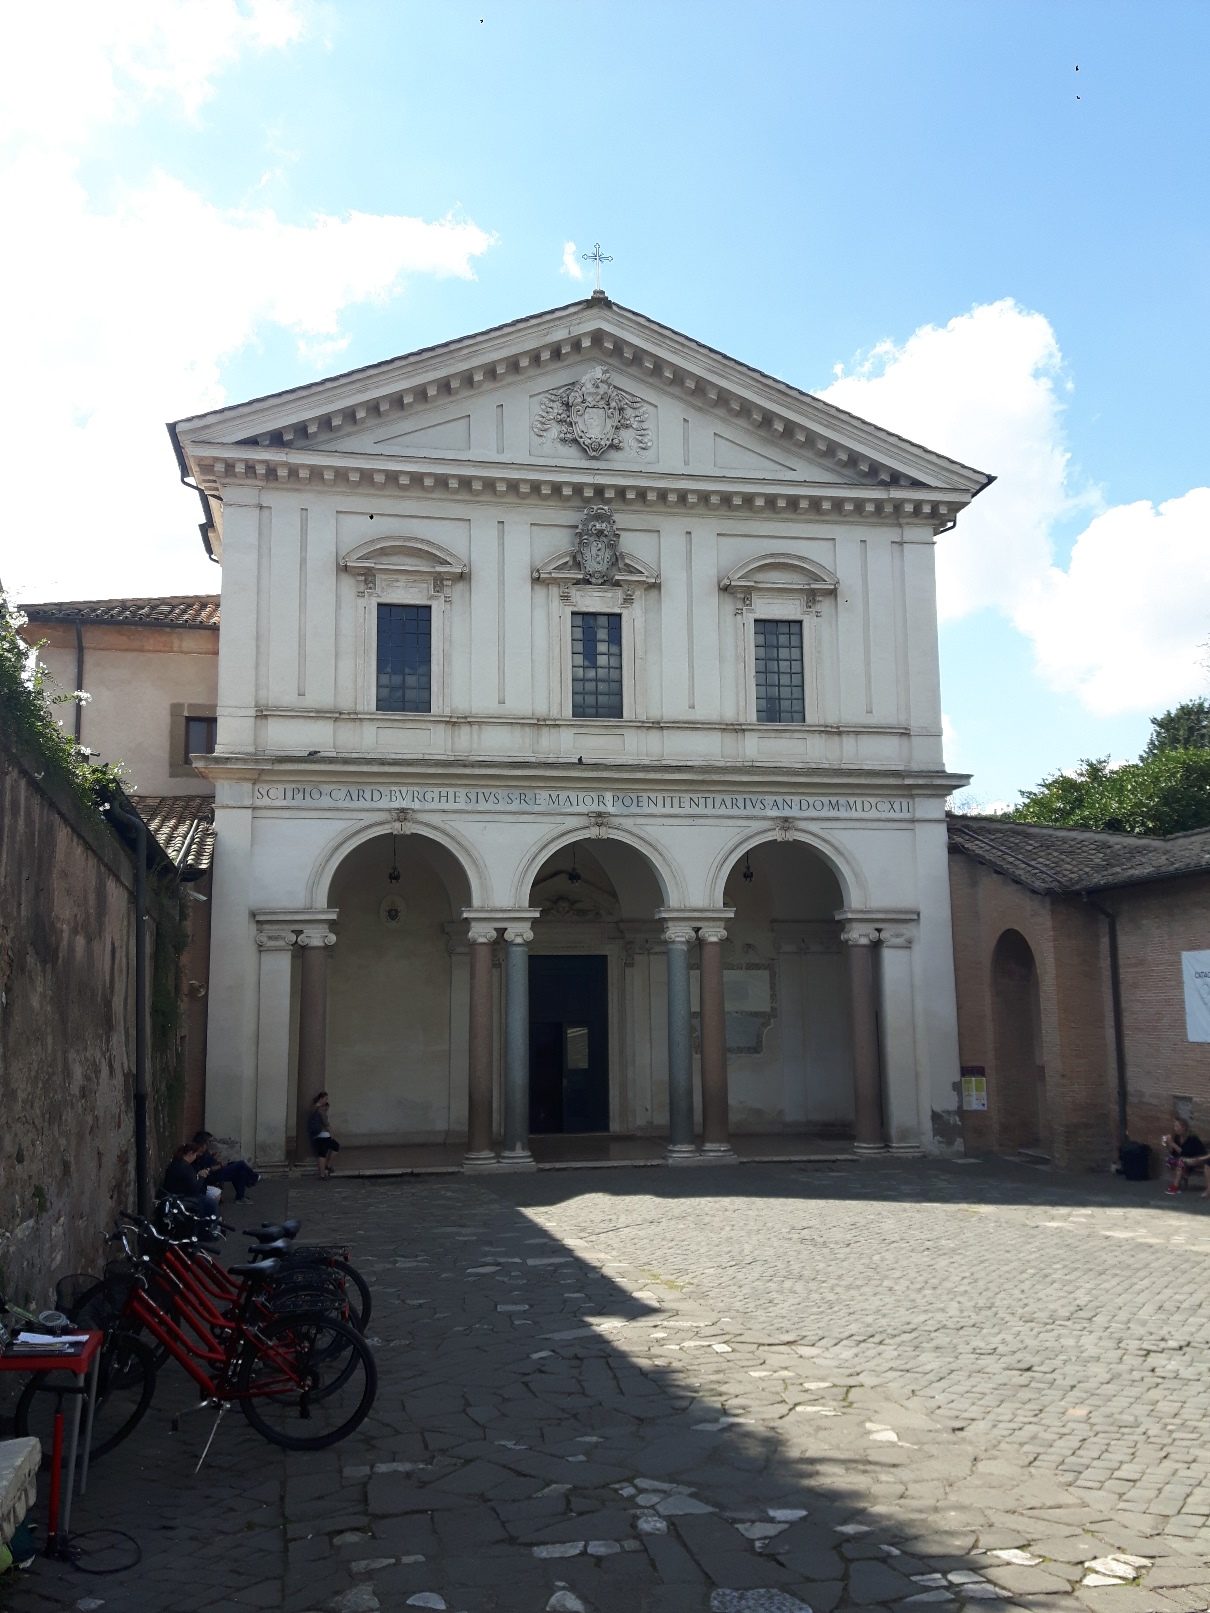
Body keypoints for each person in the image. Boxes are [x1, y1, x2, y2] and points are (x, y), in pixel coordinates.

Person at [192, 1130, 259, 1203]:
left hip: (217, 1170)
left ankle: (240, 1197)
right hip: (214, 1175)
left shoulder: (205, 1151)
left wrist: (214, 1157)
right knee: (240, 1164)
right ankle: (254, 1178)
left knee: (239, 1170)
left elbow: (209, 1162)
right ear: (203, 1143)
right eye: (208, 1142)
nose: (209, 1144)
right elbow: (206, 1169)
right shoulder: (198, 1153)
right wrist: (220, 1165)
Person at [161, 1142, 223, 1211]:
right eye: (195, 1154)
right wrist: (202, 1177)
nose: (195, 1157)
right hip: (182, 1197)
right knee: (212, 1204)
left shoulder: (179, 1162)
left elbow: (189, 1180)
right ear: (190, 1153)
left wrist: (199, 1174)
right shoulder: (184, 1167)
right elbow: (195, 1189)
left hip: (179, 1194)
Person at [1161, 1117, 1210, 1195]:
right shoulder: (1177, 1137)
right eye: (1174, 1126)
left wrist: (1172, 1144)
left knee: (1180, 1161)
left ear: (1183, 1127)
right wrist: (1168, 1144)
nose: (1175, 1129)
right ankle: (1179, 1181)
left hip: (1198, 1159)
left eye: (1177, 1126)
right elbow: (1174, 1153)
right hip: (1185, 1160)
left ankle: (1175, 1186)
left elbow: (1186, 1152)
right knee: (1170, 1160)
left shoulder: (1192, 1138)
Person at [307, 1091, 341, 1179]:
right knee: (330, 1150)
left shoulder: (313, 1107)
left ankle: (323, 1172)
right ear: (321, 1099)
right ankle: (325, 1170)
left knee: (323, 1153)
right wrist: (332, 1132)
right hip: (323, 1135)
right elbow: (326, 1123)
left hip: (316, 1135)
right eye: (326, 1098)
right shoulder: (320, 1109)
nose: (326, 1100)